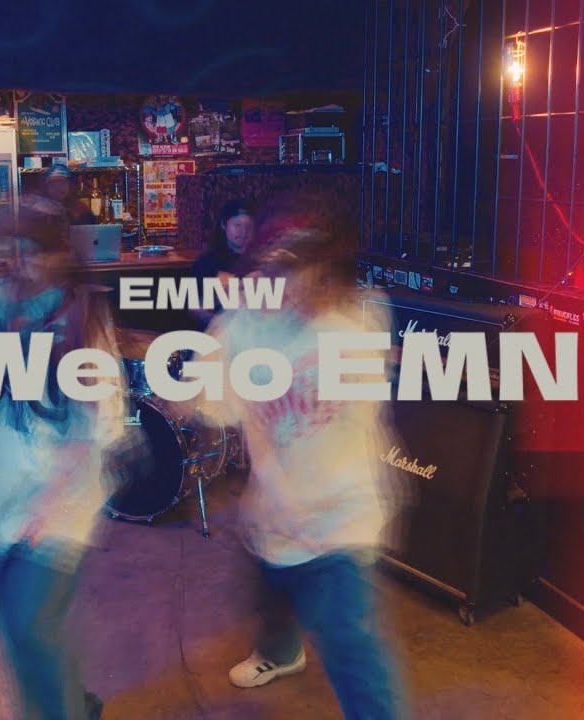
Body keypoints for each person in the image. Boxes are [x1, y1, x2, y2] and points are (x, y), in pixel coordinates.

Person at [198, 196, 408, 719]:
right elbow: (212, 403)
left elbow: (364, 394)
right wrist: (229, 320)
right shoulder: (247, 328)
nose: (296, 287)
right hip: (274, 513)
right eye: (283, 270)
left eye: (307, 271)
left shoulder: (359, 318)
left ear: (329, 271)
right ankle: (280, 652)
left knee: (350, 643)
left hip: (339, 515)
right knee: (271, 585)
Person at [0, 208, 126, 720]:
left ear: (58, 256)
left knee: (29, 622)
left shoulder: (79, 318)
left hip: (58, 504)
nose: (20, 262)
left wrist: (47, 506)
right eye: (11, 249)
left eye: (32, 251)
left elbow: (99, 423)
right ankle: (75, 704)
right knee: (13, 626)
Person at [189, 198, 256, 329]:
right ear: (224, 225)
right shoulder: (207, 263)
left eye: (249, 226)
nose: (243, 231)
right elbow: (194, 309)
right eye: (237, 225)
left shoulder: (262, 260)